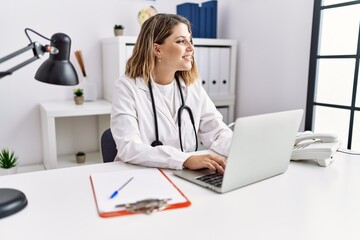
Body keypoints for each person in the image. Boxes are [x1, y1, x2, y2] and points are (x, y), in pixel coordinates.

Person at [111, 13, 233, 173]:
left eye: (190, 40)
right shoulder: (127, 87)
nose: (191, 48)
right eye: (181, 41)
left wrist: (243, 149)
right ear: (157, 49)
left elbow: (216, 132)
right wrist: (185, 159)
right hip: (139, 176)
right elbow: (129, 147)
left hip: (183, 175)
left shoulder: (191, 86)